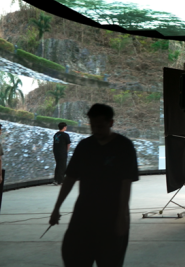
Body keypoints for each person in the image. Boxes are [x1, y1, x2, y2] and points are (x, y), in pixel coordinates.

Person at [49, 104, 139, 267]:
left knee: (109, 260)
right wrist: (56, 208)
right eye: (93, 126)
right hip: (84, 214)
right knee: (73, 257)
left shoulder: (124, 147)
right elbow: (70, 179)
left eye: (100, 126)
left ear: (111, 123)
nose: (96, 130)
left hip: (112, 216)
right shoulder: (85, 146)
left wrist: (122, 217)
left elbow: (126, 184)